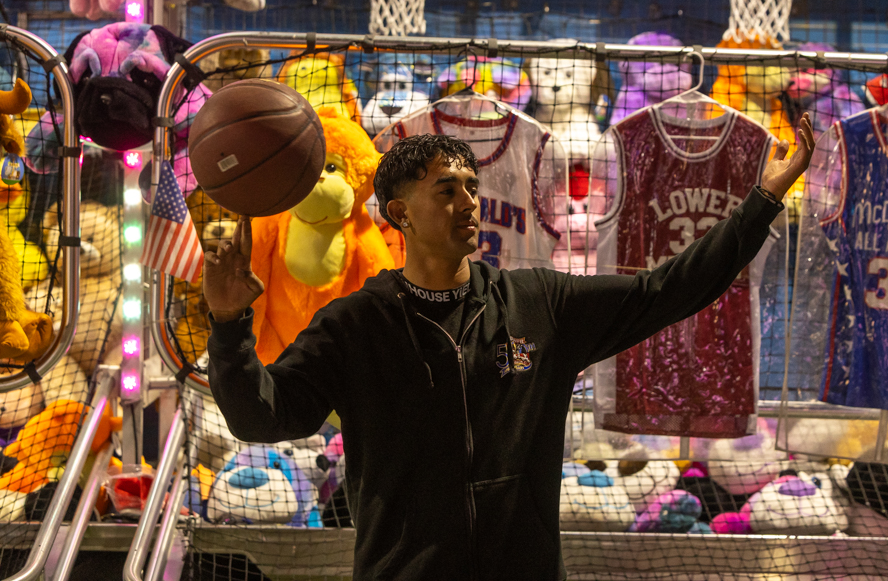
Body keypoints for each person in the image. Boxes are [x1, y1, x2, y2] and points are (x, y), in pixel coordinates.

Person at [203, 113, 816, 581]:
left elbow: (668, 290)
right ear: (399, 213)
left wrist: (760, 203)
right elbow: (261, 416)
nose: (469, 202)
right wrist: (229, 323)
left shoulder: (540, 305)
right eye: (446, 190)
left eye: (471, 186)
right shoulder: (355, 327)